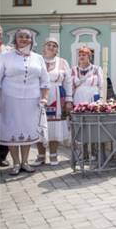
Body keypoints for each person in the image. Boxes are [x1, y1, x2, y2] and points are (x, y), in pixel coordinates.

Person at [0, 29, 50, 175]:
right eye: (20, 36)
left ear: (31, 40)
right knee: (12, 131)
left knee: (27, 130)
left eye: (27, 37)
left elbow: (45, 81)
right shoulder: (5, 56)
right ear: (15, 39)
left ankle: (25, 162)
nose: (24, 39)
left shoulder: (38, 58)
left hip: (32, 100)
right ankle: (15, 163)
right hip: (9, 99)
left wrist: (44, 97)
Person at [32, 38, 73, 167]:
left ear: (57, 49)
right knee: (39, 124)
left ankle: (53, 154)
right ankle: (41, 155)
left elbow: (68, 82)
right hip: (38, 95)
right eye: (48, 45)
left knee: (54, 126)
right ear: (44, 47)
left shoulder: (62, 62)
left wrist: (69, 100)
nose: (51, 47)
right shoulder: (37, 60)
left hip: (56, 96)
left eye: (54, 45)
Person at [0, 24, 12, 167]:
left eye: (0, 32)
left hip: (6, 91)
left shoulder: (8, 51)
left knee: (6, 123)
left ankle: (2, 155)